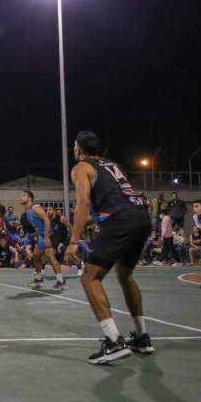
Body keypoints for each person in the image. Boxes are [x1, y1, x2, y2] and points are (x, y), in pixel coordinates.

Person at [65, 131, 153, 364]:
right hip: (141, 217)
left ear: (79, 148)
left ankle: (114, 342)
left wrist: (74, 241)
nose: (73, 149)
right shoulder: (112, 164)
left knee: (89, 277)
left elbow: (83, 202)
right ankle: (142, 337)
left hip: (120, 219)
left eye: (74, 145)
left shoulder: (81, 167)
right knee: (124, 274)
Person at [20, 190, 66, 290]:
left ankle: (61, 281)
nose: (21, 197)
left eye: (23, 195)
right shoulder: (27, 211)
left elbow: (47, 220)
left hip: (49, 235)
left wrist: (46, 237)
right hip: (42, 235)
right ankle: (39, 279)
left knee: (50, 257)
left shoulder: (35, 208)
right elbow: (38, 225)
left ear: (29, 198)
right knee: (36, 256)